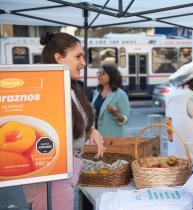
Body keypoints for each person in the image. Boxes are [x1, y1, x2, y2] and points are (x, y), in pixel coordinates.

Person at [23, 32, 104, 210]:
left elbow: (73, 124)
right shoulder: (44, 92)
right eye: (78, 56)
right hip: (52, 176)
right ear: (59, 58)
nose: (83, 62)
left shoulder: (73, 88)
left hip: (66, 174)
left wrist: (91, 130)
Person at [165, 60, 193, 166]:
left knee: (177, 163)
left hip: (174, 138)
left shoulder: (172, 94)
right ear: (192, 81)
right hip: (188, 141)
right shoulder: (187, 94)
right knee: (190, 163)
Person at [92, 65, 130, 137]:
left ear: (112, 75)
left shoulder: (120, 94)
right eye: (98, 73)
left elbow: (125, 120)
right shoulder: (96, 92)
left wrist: (115, 113)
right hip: (98, 136)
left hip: (113, 137)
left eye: (103, 73)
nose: (99, 76)